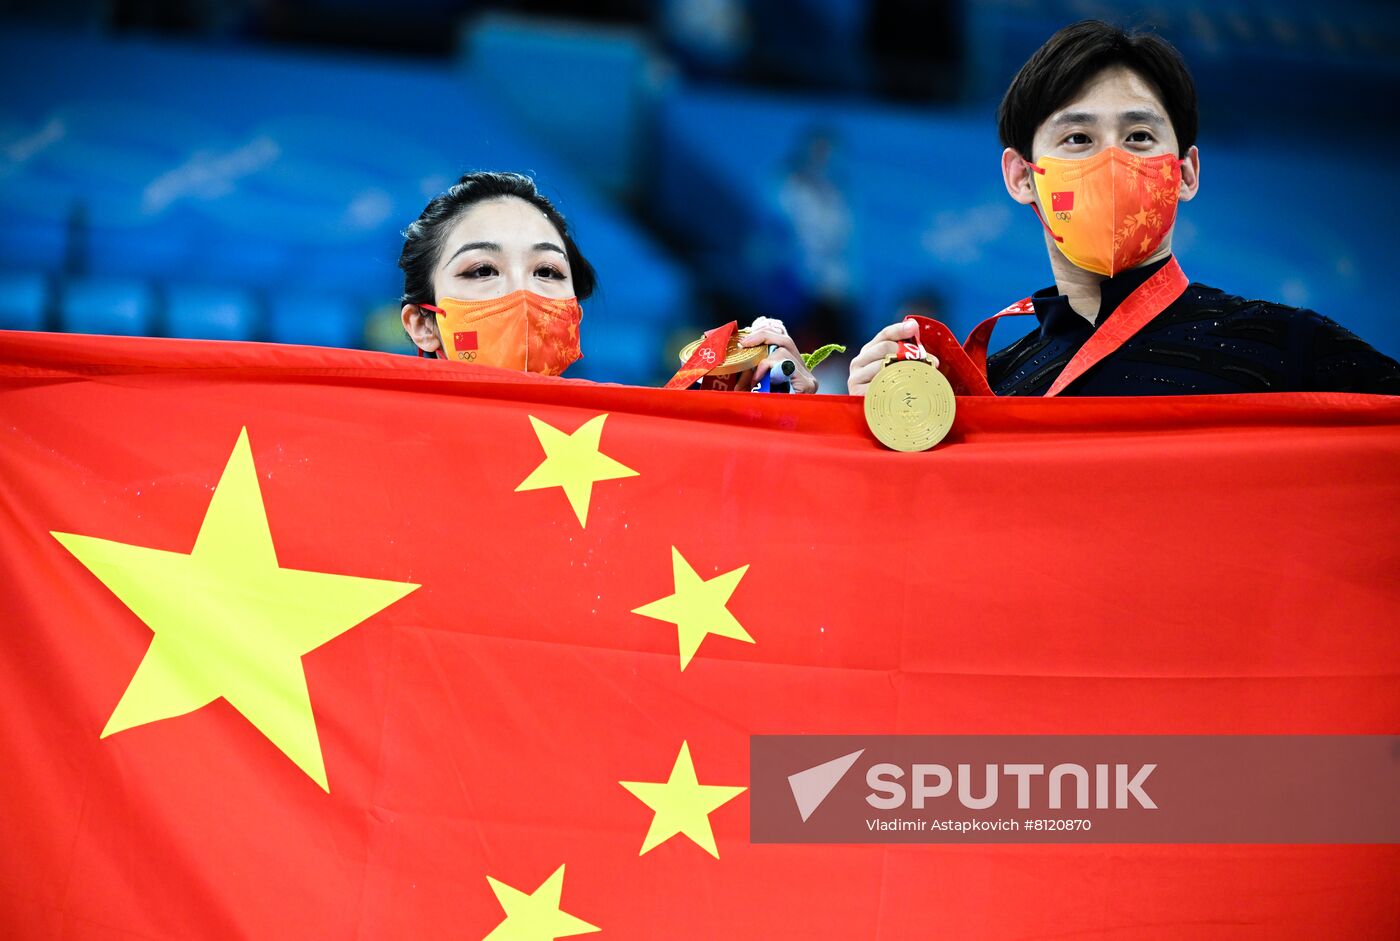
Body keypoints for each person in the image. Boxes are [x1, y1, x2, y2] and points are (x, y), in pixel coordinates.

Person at [847, 21, 1400, 397]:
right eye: (1078, 139)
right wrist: (844, 425)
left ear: (1185, 173)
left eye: (1137, 137)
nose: (1112, 162)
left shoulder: (1289, 347)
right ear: (1021, 177)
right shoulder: (990, 389)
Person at [401, 171, 817, 391]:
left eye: (547, 271)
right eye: (481, 270)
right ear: (423, 324)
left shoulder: (636, 450)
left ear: (574, 312)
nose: (522, 294)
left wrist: (783, 418)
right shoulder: (367, 454)